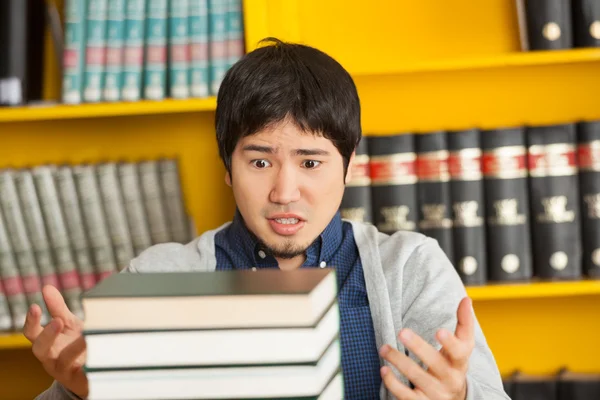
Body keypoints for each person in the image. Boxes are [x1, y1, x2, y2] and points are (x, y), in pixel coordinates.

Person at [25, 38, 509, 400]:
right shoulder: (158, 277)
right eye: (259, 162)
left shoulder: (410, 269)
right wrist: (80, 391)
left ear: (350, 164)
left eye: (311, 162)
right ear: (226, 167)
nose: (284, 192)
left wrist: (461, 395)